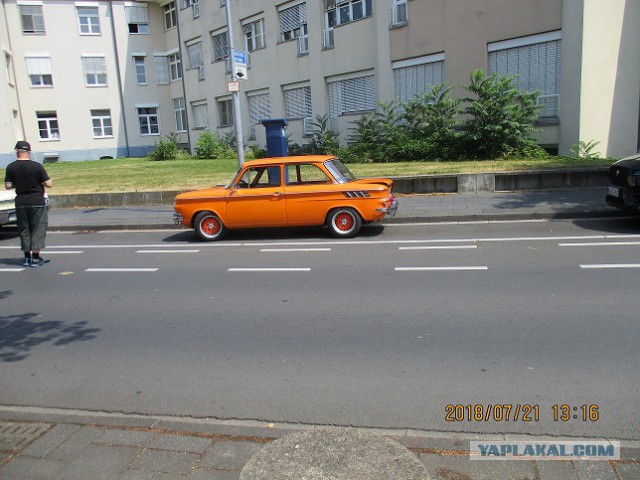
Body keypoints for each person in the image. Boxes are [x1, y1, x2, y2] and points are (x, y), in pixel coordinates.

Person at [4, 141, 53, 267]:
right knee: (38, 228)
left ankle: (26, 257)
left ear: (17, 152)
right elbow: (49, 184)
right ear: (29, 152)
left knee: (24, 229)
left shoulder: (11, 167)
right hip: (37, 201)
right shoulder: (37, 166)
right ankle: (36, 257)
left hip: (21, 202)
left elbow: (8, 185)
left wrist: (19, 183)